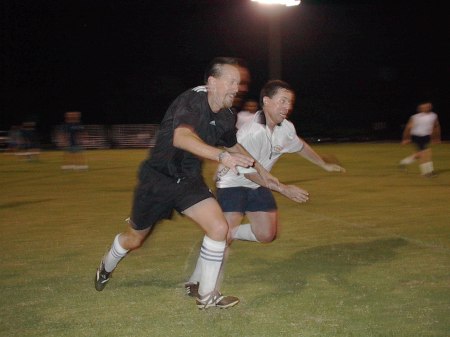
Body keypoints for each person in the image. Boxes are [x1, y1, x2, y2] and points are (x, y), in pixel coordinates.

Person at [94, 57, 276, 310]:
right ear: (212, 82)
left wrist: (258, 167)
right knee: (134, 239)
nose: (238, 88)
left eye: (239, 82)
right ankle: (106, 265)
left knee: (218, 227)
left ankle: (207, 294)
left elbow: (232, 144)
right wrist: (221, 156)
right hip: (157, 179)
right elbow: (181, 137)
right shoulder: (192, 101)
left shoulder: (226, 116)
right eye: (231, 81)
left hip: (188, 180)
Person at [185, 80, 345, 297]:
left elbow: (300, 146)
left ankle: (224, 233)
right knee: (223, 236)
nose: (286, 107)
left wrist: (323, 163)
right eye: (282, 101)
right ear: (266, 102)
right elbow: (246, 170)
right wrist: (282, 188)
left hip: (258, 182)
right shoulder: (252, 132)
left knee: (267, 234)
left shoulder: (286, 128)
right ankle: (197, 282)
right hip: (232, 181)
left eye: (289, 102)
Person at [399, 101, 441, 177]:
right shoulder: (415, 117)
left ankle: (403, 162)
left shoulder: (433, 115)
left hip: (426, 136)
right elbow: (408, 128)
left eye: (428, 106)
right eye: (424, 107)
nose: (426, 108)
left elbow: (436, 126)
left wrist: (436, 138)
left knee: (419, 154)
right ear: (420, 109)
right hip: (417, 136)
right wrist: (405, 138)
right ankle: (427, 172)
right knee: (426, 153)